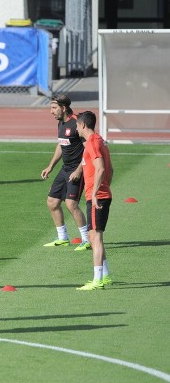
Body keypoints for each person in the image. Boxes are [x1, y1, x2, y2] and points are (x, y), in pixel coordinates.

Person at [40, 93, 90, 249]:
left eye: (54, 108)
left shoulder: (77, 123)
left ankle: (87, 240)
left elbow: (89, 150)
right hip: (65, 169)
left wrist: (79, 170)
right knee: (52, 202)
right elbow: (61, 145)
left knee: (71, 204)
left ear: (63, 108)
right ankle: (63, 238)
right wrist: (50, 166)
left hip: (77, 169)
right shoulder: (61, 122)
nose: (51, 111)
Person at [74, 111, 114, 290]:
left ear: (83, 125)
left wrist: (97, 192)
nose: (76, 128)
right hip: (100, 195)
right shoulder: (100, 141)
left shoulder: (92, 143)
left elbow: (101, 168)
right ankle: (105, 276)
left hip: (96, 197)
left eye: (77, 125)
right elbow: (110, 169)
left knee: (95, 238)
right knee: (93, 236)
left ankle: (97, 279)